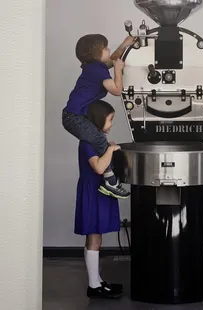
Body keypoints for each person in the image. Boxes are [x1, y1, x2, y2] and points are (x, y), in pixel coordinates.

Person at [62, 33, 135, 199]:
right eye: (105, 48)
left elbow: (113, 58)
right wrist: (118, 70)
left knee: (98, 138)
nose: (109, 49)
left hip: (74, 116)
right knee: (100, 140)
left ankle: (109, 176)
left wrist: (125, 44)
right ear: (95, 53)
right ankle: (110, 180)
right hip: (74, 117)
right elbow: (117, 90)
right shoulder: (96, 70)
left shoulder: (95, 67)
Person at [75, 100, 125, 299]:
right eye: (110, 119)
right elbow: (98, 167)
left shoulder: (96, 140)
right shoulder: (87, 142)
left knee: (95, 238)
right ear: (98, 119)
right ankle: (94, 285)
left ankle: (97, 281)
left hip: (98, 192)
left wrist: (108, 148)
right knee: (94, 238)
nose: (111, 124)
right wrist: (111, 151)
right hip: (94, 192)